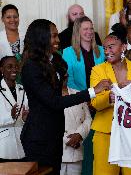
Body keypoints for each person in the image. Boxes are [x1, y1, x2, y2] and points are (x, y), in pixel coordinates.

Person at [20, 19, 111, 175]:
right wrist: (92, 91)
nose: (58, 40)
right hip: (39, 138)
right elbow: (55, 102)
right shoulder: (31, 67)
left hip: (55, 135)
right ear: (42, 38)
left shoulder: (55, 61)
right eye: (54, 36)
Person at [90, 24, 131, 175]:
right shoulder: (98, 70)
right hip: (106, 134)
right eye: (105, 48)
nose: (107, 51)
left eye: (111, 47)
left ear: (123, 47)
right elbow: (95, 103)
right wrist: (111, 96)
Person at [62, 16, 105, 175]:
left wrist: (95, 98)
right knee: (82, 143)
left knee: (97, 147)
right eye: (85, 29)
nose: (89, 32)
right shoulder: (67, 52)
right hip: (79, 102)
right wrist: (86, 98)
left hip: (100, 102)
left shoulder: (101, 50)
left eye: (91, 28)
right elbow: (69, 79)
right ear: (77, 32)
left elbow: (106, 76)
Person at [60, 76, 92, 175]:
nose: (63, 78)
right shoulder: (48, 96)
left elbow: (88, 119)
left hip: (76, 150)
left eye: (65, 75)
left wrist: (79, 134)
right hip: (56, 150)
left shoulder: (78, 94)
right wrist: (68, 140)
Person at [0, 56, 28, 162]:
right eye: (9, 67)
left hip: (22, 145)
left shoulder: (23, 89)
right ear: (2, 69)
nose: (14, 69)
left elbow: (26, 112)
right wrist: (10, 116)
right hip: (4, 148)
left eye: (16, 66)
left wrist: (25, 118)